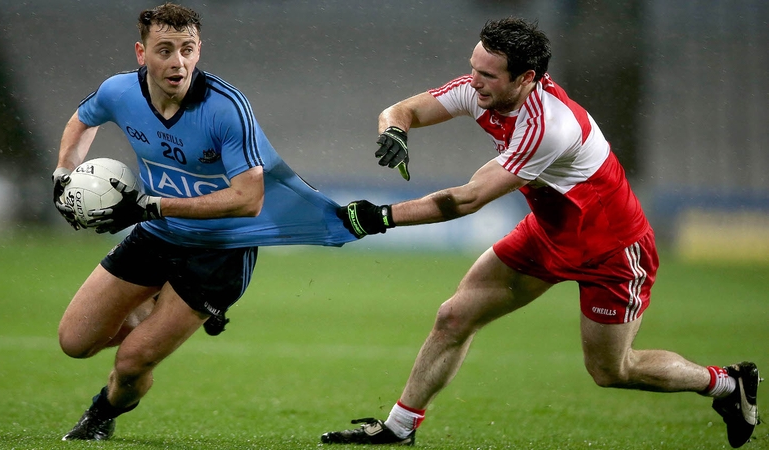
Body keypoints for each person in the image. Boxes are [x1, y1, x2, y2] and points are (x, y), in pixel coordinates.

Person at [320, 17, 760, 448]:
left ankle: (726, 383)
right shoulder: (482, 89)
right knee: (454, 317)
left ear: (526, 78)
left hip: (612, 250)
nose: (473, 82)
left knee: (612, 371)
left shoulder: (549, 125)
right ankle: (399, 427)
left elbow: (469, 199)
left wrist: (382, 217)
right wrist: (395, 131)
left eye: (488, 75)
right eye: (473, 68)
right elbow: (404, 110)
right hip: (548, 234)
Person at [51, 2, 355, 441]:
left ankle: (102, 412)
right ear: (141, 53)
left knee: (132, 362)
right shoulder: (118, 92)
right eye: (165, 50)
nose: (178, 62)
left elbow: (249, 199)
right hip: (157, 235)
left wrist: (153, 206)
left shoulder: (226, 108)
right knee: (75, 343)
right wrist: (63, 172)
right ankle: (161, 303)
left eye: (187, 49)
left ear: (199, 50)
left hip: (220, 251)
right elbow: (82, 120)